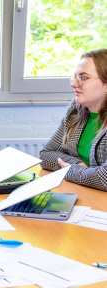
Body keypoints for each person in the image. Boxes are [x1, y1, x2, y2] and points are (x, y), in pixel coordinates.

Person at [39, 49, 107, 191]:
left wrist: (71, 171)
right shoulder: (76, 108)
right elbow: (46, 155)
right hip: (84, 191)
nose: (74, 83)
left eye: (83, 77)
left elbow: (104, 178)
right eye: (75, 76)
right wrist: (77, 165)